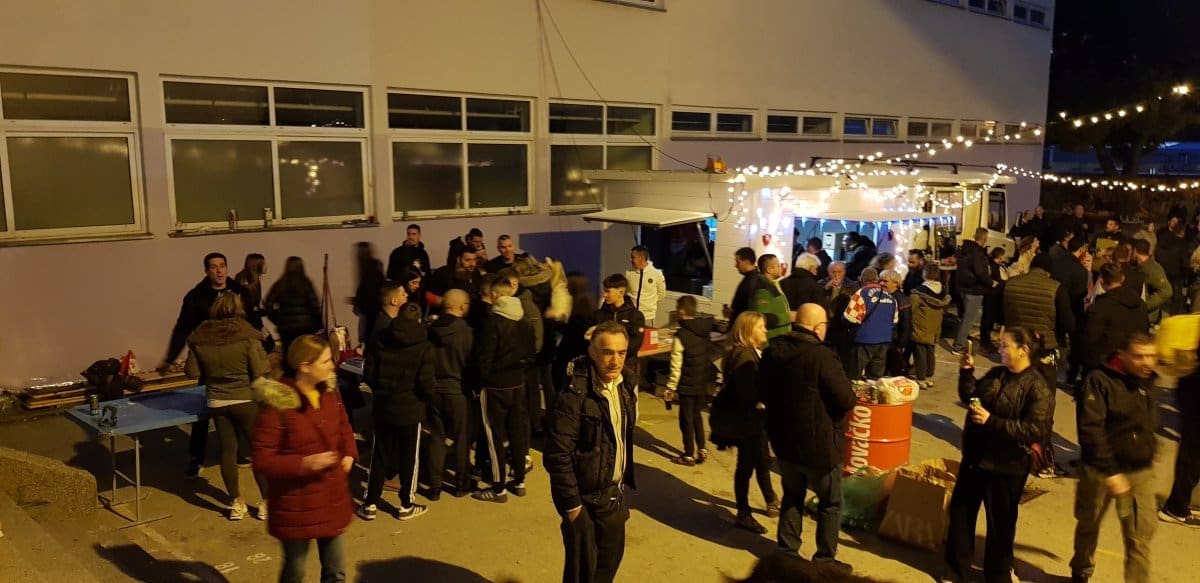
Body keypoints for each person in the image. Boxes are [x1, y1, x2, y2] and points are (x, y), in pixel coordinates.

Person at [947, 327, 1054, 583]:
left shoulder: (1037, 387)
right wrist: (966, 372)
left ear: (1023, 350)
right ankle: (956, 571)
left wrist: (992, 421)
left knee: (1000, 525)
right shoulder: (997, 374)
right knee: (961, 513)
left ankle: (996, 574)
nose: (999, 349)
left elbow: (1035, 429)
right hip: (976, 459)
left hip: (1006, 465)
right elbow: (971, 397)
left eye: (1005, 345)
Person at [252, 336, 358, 583]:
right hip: (296, 504)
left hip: (330, 495)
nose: (332, 365)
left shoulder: (328, 392)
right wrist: (304, 464)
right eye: (325, 361)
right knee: (295, 570)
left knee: (336, 571)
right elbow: (262, 459)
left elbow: (343, 424)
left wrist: (349, 453)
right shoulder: (278, 404)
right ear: (305, 366)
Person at [761, 303, 856, 572]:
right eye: (824, 325)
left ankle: (787, 552)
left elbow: (762, 390)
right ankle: (825, 561)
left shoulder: (773, 351)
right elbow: (846, 399)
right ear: (817, 327)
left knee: (792, 495)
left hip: (784, 442)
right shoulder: (822, 356)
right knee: (830, 503)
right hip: (820, 446)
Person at [544, 320, 638, 583]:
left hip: (613, 498)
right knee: (581, 576)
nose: (615, 361)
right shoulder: (574, 394)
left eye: (621, 353)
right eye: (608, 352)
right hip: (584, 503)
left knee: (607, 570)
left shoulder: (626, 386)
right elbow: (557, 455)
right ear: (593, 353)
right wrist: (573, 508)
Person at [161, 252, 263, 478]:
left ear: (227, 268)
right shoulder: (196, 297)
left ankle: (241, 452)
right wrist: (170, 357)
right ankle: (196, 457)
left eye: (222, 266)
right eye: (213, 267)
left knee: (243, 409)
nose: (219, 270)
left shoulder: (240, 292)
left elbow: (254, 322)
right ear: (206, 270)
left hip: (237, 360)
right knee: (203, 413)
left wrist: (265, 345)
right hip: (211, 362)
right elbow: (183, 327)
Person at [1070, 334, 1160, 583]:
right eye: (1139, 356)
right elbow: (1090, 430)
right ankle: (1081, 570)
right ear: (1122, 356)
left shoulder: (1147, 381)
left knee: (1139, 538)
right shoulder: (1099, 381)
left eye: (1151, 356)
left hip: (1138, 473)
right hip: (1101, 472)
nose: (1147, 362)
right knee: (1089, 524)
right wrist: (1111, 471)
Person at [184, 293, 270, 520]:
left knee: (227, 451)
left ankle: (236, 503)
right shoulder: (247, 335)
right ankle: (265, 503)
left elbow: (191, 372)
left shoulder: (200, 336)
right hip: (245, 399)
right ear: (238, 309)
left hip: (216, 400)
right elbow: (260, 370)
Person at [360, 299, 434, 521]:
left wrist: (381, 391)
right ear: (419, 320)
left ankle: (370, 503)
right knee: (409, 457)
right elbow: (425, 383)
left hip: (384, 406)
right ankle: (406, 504)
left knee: (379, 455)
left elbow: (369, 374)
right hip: (411, 408)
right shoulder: (424, 345)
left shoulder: (380, 339)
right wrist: (425, 400)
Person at [709, 311, 779, 534]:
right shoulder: (745, 357)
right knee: (746, 466)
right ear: (748, 331)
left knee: (759, 460)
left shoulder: (749, 352)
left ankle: (768, 500)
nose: (765, 330)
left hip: (750, 421)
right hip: (747, 423)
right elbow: (747, 394)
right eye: (760, 327)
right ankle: (744, 512)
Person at [473, 279, 536, 502]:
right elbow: (531, 354)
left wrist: (479, 381)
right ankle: (519, 481)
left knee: (494, 436)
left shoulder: (492, 323)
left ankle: (498, 488)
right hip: (518, 383)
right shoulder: (525, 321)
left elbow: (484, 359)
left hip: (494, 385)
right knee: (517, 434)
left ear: (495, 296)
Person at [426, 289, 474, 497]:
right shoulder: (465, 331)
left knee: (437, 437)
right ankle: (461, 485)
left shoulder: (430, 329)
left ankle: (434, 486)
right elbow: (470, 363)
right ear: (461, 306)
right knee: (461, 438)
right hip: (457, 390)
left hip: (434, 389)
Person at [1002, 254, 1075, 387]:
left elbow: (999, 313)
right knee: (1044, 385)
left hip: (1016, 342)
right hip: (1045, 345)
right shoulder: (1056, 288)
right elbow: (1067, 320)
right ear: (1049, 270)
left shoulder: (1010, 283)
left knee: (1013, 384)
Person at [664, 295, 715, 466]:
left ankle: (688, 455)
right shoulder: (704, 331)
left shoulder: (681, 335)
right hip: (701, 382)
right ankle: (702, 449)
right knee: (697, 416)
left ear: (680, 311)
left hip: (687, 384)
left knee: (686, 420)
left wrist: (670, 387)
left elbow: (676, 366)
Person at [1080, 264, 1148, 371]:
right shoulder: (1140, 304)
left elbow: (1089, 339)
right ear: (1122, 278)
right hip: (1133, 362)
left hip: (1106, 365)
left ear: (1101, 281)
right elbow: (1144, 332)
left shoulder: (1100, 306)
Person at [1160, 351, 1200, 527]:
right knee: (1192, 454)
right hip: (1195, 390)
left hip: (1191, 386)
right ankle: (1176, 507)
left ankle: (1181, 503)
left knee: (1192, 453)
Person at [842, 268, 898, 380]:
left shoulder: (861, 293)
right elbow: (895, 321)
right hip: (884, 340)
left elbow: (850, 318)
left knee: (854, 374)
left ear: (861, 279)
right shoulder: (890, 296)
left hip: (865, 340)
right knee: (875, 377)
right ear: (877, 279)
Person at [265, 256, 323, 358]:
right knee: (304, 355)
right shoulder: (306, 284)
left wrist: (278, 320)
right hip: (305, 327)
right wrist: (318, 324)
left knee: (288, 354)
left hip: (286, 328)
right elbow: (314, 306)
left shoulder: (280, 284)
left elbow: (268, 305)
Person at [952, 228, 993, 356]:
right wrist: (990, 282)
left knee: (965, 317)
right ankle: (958, 346)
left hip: (963, 287)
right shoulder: (978, 253)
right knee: (968, 319)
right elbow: (980, 272)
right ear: (985, 238)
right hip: (974, 289)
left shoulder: (965, 250)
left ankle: (960, 341)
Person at [910, 262, 951, 387]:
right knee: (930, 352)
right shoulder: (943, 291)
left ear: (924, 274)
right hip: (935, 327)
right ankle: (929, 375)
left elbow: (911, 309)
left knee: (920, 353)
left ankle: (921, 378)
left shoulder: (918, 293)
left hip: (920, 327)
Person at [594, 274, 646, 361]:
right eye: (604, 291)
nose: (604, 295)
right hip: (602, 363)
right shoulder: (598, 315)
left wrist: (612, 349)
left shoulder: (635, 316)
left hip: (627, 363)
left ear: (621, 292)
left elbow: (634, 345)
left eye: (608, 291)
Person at [426, 246, 483, 314]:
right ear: (458, 259)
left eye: (474, 260)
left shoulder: (476, 273)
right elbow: (428, 295)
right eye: (467, 260)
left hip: (471, 313)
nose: (472, 264)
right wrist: (448, 302)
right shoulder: (443, 273)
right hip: (447, 314)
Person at [353, 242, 386, 346]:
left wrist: (357, 302)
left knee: (367, 336)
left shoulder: (369, 267)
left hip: (371, 307)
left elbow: (365, 288)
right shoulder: (370, 266)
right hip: (371, 306)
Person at [1132, 238, 1172, 323]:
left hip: (1150, 318)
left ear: (1135, 251)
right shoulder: (1141, 267)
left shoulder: (1152, 269)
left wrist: (1145, 305)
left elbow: (1166, 291)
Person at [880, 270, 911, 377]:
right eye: (880, 280)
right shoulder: (884, 295)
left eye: (885, 281)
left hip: (893, 342)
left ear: (895, 283)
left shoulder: (901, 300)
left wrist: (901, 344)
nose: (881, 283)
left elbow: (906, 324)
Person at [626, 245, 667, 327]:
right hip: (631, 315)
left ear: (641, 258)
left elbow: (661, 294)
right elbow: (627, 292)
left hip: (648, 317)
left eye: (633, 257)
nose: (631, 260)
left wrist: (649, 305)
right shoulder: (628, 273)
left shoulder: (657, 274)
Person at [754, 254, 792, 339]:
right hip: (771, 340)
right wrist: (788, 317)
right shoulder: (763, 289)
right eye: (778, 266)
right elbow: (761, 317)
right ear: (769, 270)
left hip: (778, 340)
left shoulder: (772, 285)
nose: (780, 268)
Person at [725, 247, 760, 324]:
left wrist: (733, 314)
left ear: (746, 262)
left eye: (738, 262)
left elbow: (749, 310)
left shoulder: (752, 281)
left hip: (744, 327)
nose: (736, 265)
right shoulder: (751, 278)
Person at [234, 253, 268, 324]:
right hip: (246, 321)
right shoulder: (247, 282)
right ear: (256, 265)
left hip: (249, 319)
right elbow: (250, 308)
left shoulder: (254, 280)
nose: (266, 266)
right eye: (264, 264)